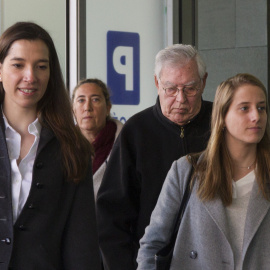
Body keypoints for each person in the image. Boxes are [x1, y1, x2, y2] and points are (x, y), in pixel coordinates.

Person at [96, 44, 213, 269]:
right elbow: (111, 217)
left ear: (204, 82)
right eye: (171, 89)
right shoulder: (136, 131)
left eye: (190, 88)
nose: (180, 99)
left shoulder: (222, 123)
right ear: (157, 83)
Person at [137, 73, 270, 270]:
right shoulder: (187, 170)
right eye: (244, 108)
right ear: (222, 116)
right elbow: (152, 243)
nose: (256, 116)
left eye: (261, 108)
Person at [0, 22, 101, 269]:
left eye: (41, 66)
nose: (30, 76)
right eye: (18, 65)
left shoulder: (72, 147)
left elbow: (82, 244)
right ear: (0, 69)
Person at [72, 78, 123, 200]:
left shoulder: (126, 143)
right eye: (81, 100)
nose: (87, 107)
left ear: (108, 107)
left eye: (95, 99)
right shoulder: (61, 145)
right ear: (73, 110)